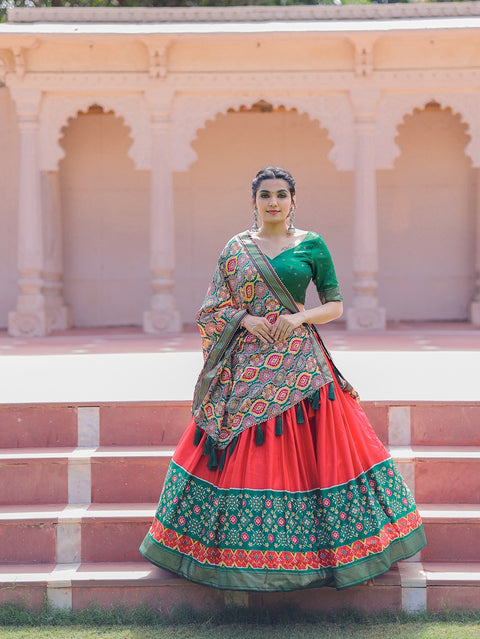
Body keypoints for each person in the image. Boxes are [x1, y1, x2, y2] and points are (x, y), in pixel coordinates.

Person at [139, 166, 426, 591]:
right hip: (247, 362)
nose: (273, 201)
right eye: (265, 195)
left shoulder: (311, 245)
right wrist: (248, 320)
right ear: (253, 201)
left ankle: (327, 554)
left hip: (302, 365)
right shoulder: (235, 249)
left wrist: (298, 319)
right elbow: (212, 309)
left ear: (294, 201)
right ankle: (225, 554)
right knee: (232, 443)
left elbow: (334, 305)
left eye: (281, 195)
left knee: (323, 454)